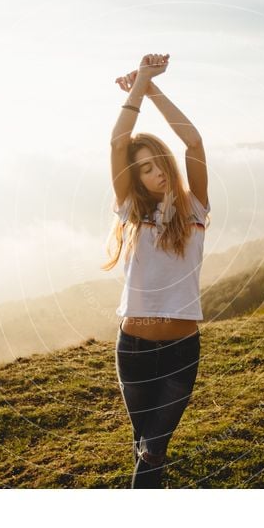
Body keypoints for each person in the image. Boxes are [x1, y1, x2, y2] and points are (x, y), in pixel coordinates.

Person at [102, 53, 210, 488]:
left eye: (158, 162)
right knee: (144, 445)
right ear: (137, 177)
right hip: (134, 350)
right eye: (144, 168)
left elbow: (195, 144)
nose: (156, 173)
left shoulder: (197, 209)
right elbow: (116, 144)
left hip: (181, 353)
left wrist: (152, 88)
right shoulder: (132, 211)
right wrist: (137, 85)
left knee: (153, 448)